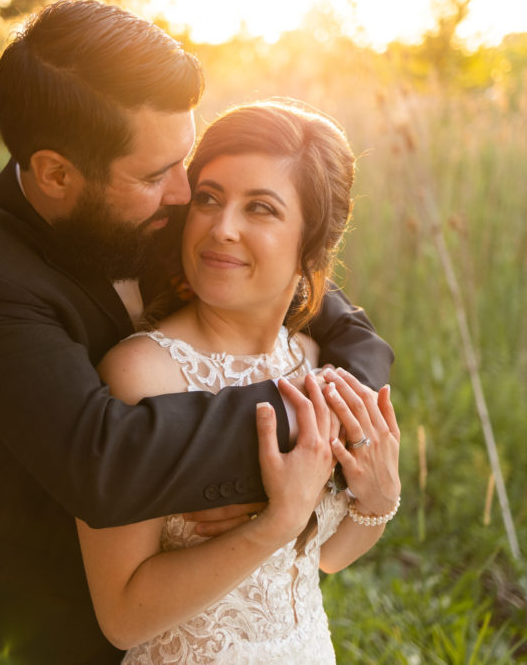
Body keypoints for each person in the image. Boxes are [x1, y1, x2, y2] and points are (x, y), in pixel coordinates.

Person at [0, 0, 394, 664]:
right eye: (154, 175)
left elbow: (330, 314)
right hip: (49, 636)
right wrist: (303, 436)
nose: (185, 193)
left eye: (184, 161)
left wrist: (356, 420)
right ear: (57, 173)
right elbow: (105, 457)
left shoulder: (164, 205)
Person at [77, 99, 401, 663]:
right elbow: (123, 617)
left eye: (260, 209)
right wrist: (275, 522)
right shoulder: (143, 374)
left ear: (312, 241)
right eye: (208, 198)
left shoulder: (318, 360)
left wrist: (378, 499)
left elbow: (323, 558)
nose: (221, 229)